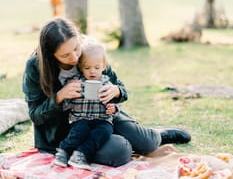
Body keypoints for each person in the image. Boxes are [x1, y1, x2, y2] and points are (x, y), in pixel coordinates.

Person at [22, 17, 191, 167]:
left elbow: (121, 88)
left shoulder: (90, 49)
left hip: (102, 115)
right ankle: (115, 140)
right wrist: (60, 96)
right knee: (120, 151)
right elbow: (35, 115)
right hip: (67, 129)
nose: (74, 58)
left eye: (76, 49)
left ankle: (157, 134)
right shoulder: (36, 66)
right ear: (50, 55)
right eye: (65, 55)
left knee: (147, 142)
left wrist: (115, 91)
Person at [54, 39, 125, 170]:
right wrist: (69, 93)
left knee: (104, 132)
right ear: (81, 67)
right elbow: (66, 104)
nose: (92, 71)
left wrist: (113, 109)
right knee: (79, 131)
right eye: (87, 68)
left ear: (104, 66)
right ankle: (63, 152)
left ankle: (81, 154)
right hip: (81, 118)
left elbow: (114, 104)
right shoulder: (75, 82)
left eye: (97, 67)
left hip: (102, 120)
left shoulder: (108, 84)